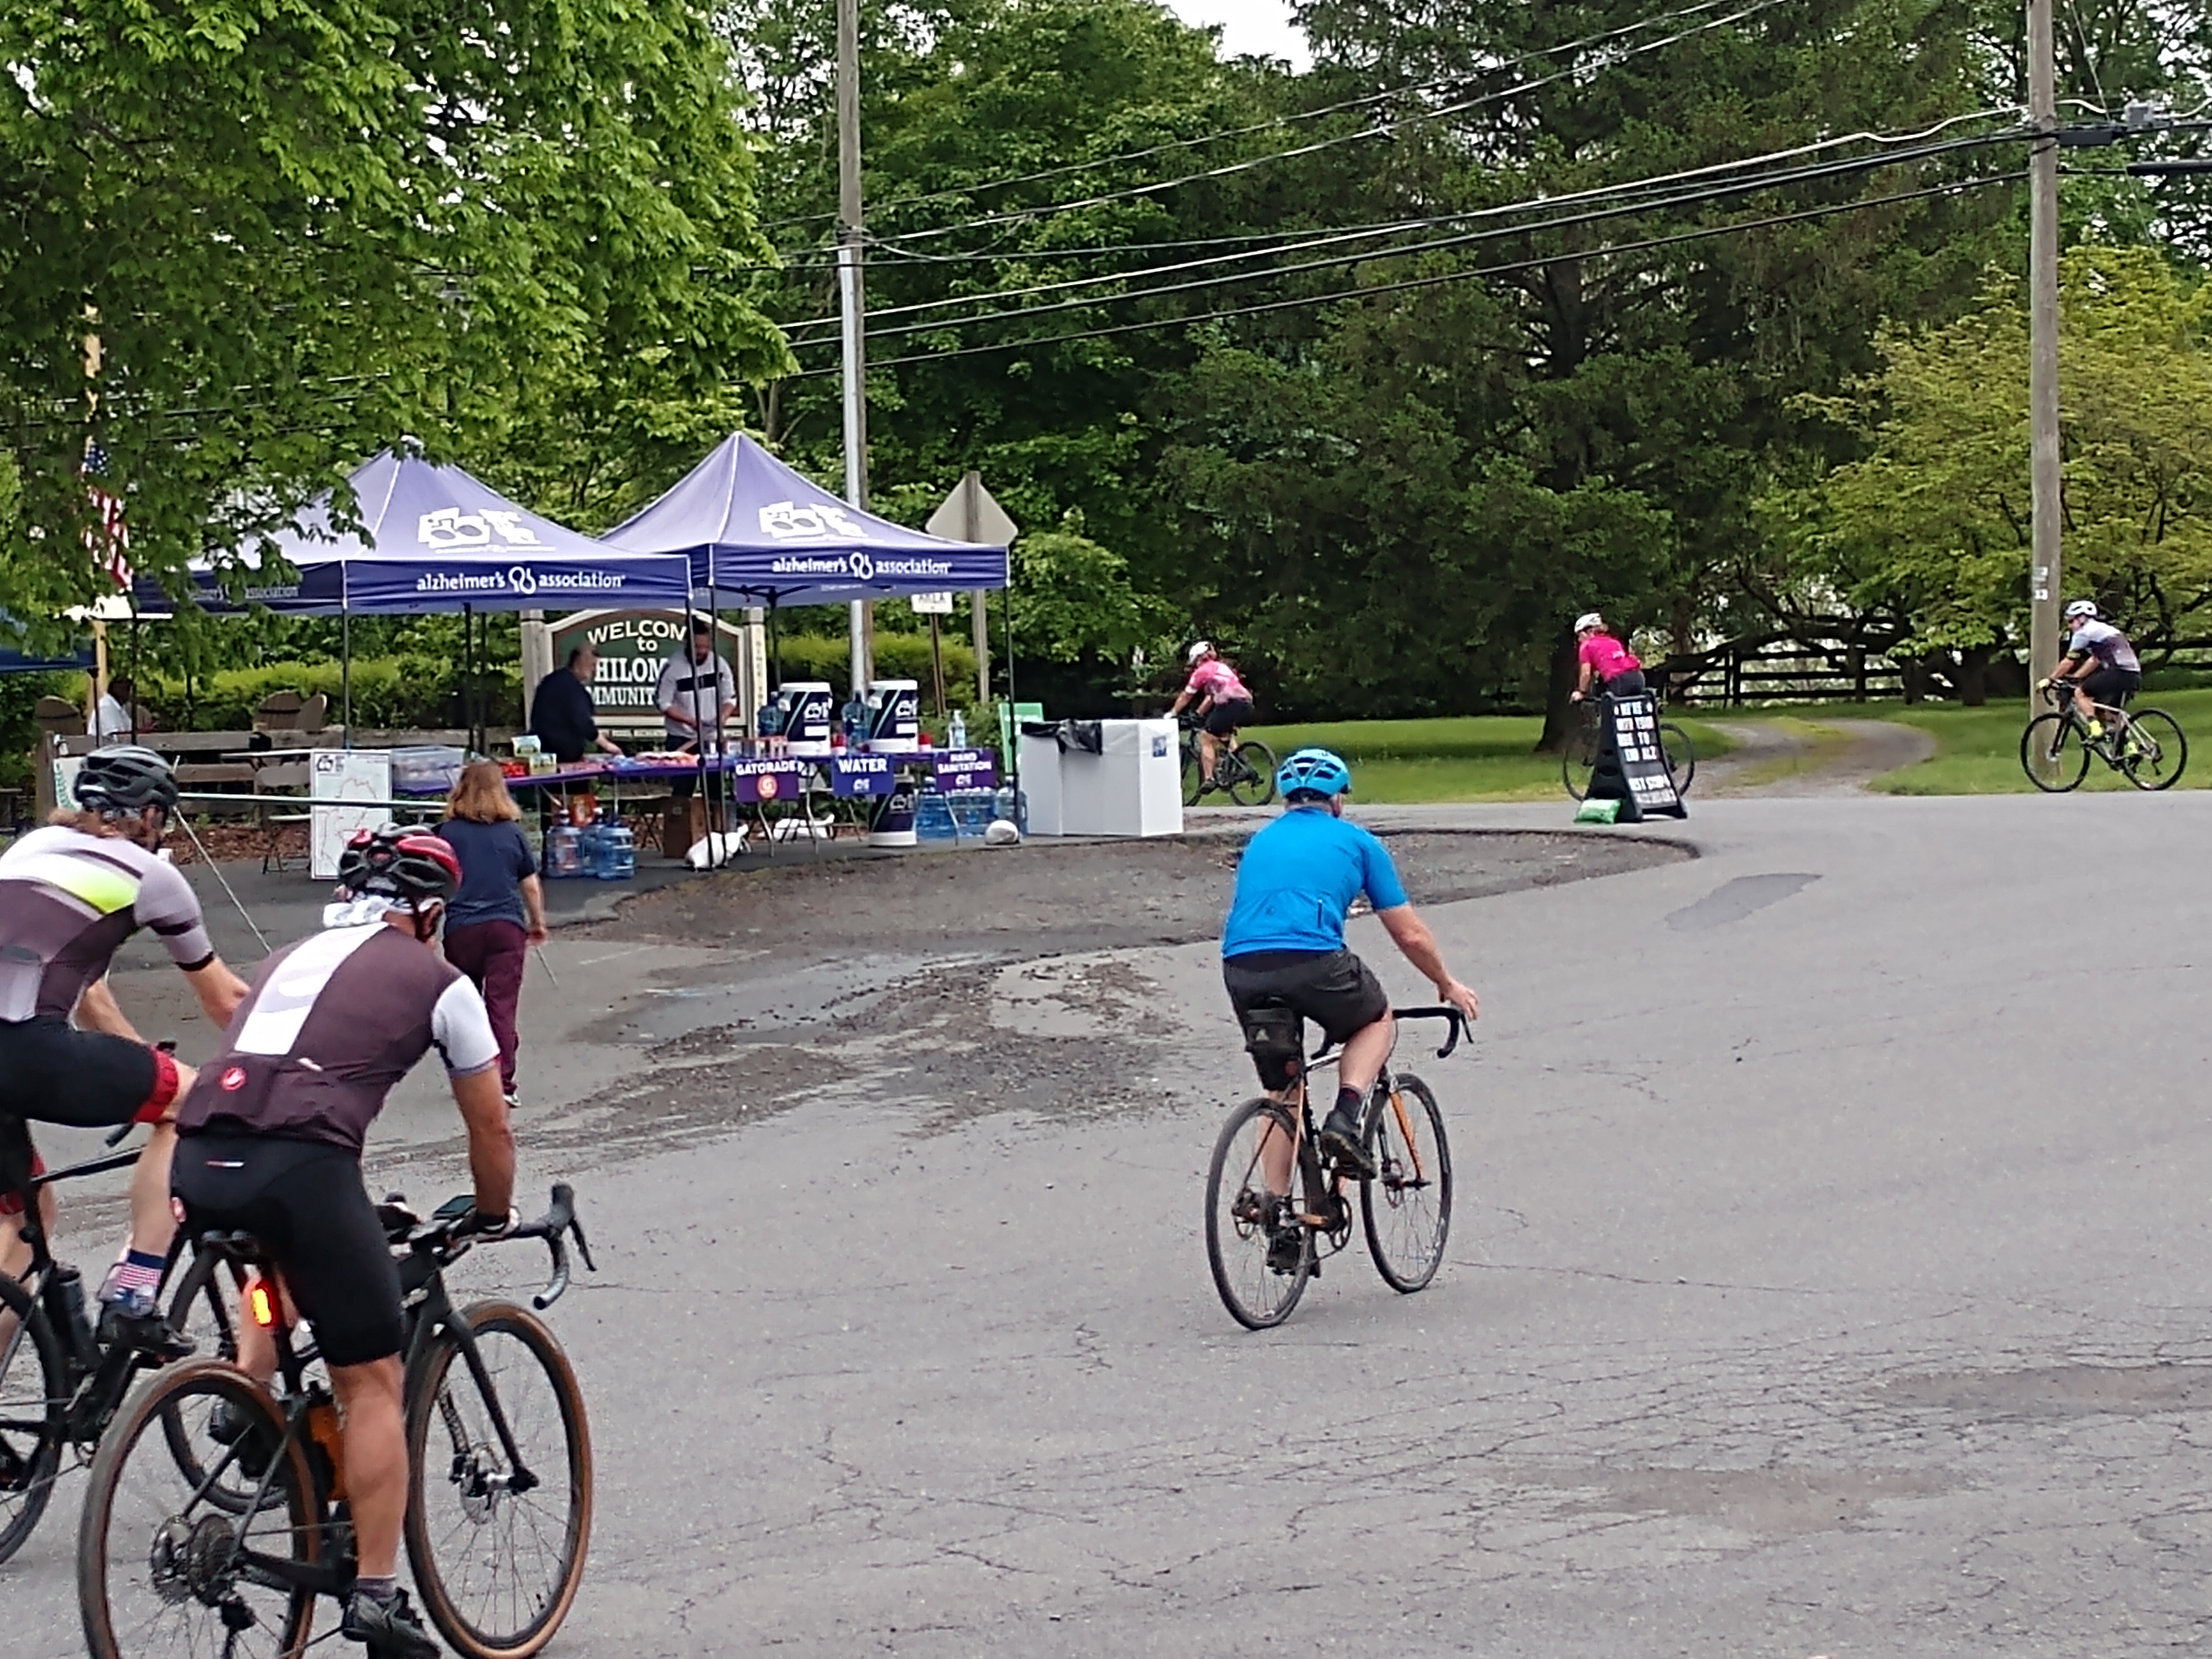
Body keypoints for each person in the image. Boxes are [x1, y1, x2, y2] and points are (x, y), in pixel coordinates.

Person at [170, 825, 513, 1659]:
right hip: (302, 1169)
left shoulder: (287, 956)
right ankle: (377, 1596)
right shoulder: (443, 983)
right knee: (370, 1380)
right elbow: (489, 1123)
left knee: (280, 1264)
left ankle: (250, 1402)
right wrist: (493, 1210)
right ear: (431, 912)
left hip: (199, 1156)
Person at [0, 745, 252, 1349]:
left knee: (21, 1223)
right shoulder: (153, 878)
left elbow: (88, 990)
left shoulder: (29, 849)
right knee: (191, 1105)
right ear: (151, 817)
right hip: (22, 1045)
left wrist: (143, 1061)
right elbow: (225, 1003)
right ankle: (135, 1289)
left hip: (19, 1040)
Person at [1220, 748, 1480, 1262]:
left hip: (1242, 966)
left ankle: (1279, 1217)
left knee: (1282, 1089)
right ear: (1338, 798)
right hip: (1313, 959)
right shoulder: (1358, 842)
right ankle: (1345, 1116)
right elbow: (1407, 933)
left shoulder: (1260, 841)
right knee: (1375, 1019)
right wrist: (1446, 983)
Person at [439, 761, 548, 1108]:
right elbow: (529, 884)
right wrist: (537, 922)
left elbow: (436, 883)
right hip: (505, 926)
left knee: (465, 1007)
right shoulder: (512, 833)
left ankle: (469, 1075)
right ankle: (503, 1081)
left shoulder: (446, 833)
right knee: (501, 1006)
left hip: (461, 927)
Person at [655, 617, 737, 802]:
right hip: (682, 739)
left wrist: (722, 718)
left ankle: (718, 829)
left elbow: (730, 698)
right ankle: (680, 829)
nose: (702, 652)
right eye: (697, 647)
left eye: (705, 647)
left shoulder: (719, 664)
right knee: (682, 793)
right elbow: (663, 704)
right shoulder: (673, 667)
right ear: (687, 643)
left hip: (712, 739)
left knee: (716, 792)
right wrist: (690, 722)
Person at [2042, 599, 2141, 740]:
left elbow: (2069, 661)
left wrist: (2050, 679)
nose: (2070, 626)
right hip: (2134, 674)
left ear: (2082, 618)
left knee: (2081, 693)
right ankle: (2131, 748)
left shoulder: (2083, 633)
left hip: (2118, 672)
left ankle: (2095, 729)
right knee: (2112, 712)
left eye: (2071, 622)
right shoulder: (2104, 629)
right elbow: (2094, 660)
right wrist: (2075, 677)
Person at [1170, 641, 1256, 792]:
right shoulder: (1222, 668)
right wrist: (1198, 714)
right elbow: (1211, 697)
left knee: (1205, 738)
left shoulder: (1202, 672)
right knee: (1224, 734)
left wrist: (1173, 713)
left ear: (1198, 659)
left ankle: (1209, 779)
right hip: (1246, 703)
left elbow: (1186, 696)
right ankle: (1241, 766)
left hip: (1230, 704)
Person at [527, 646, 623, 765]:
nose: (595, 670)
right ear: (579, 662)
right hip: (563, 757)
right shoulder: (571, 689)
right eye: (593, 665)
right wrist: (608, 746)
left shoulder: (552, 681)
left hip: (542, 756)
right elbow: (582, 721)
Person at [1569, 613, 1644, 702]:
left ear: (1589, 632)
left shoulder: (1587, 645)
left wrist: (1581, 692)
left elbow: (1586, 673)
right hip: (1637, 677)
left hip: (1618, 681)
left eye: (1579, 635)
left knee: (1610, 711)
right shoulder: (1614, 642)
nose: (1579, 640)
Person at [87, 674, 135, 740]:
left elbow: (130, 729)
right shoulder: (106, 707)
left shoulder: (119, 707)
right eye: (128, 690)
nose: (129, 694)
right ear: (119, 690)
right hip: (105, 749)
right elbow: (114, 737)